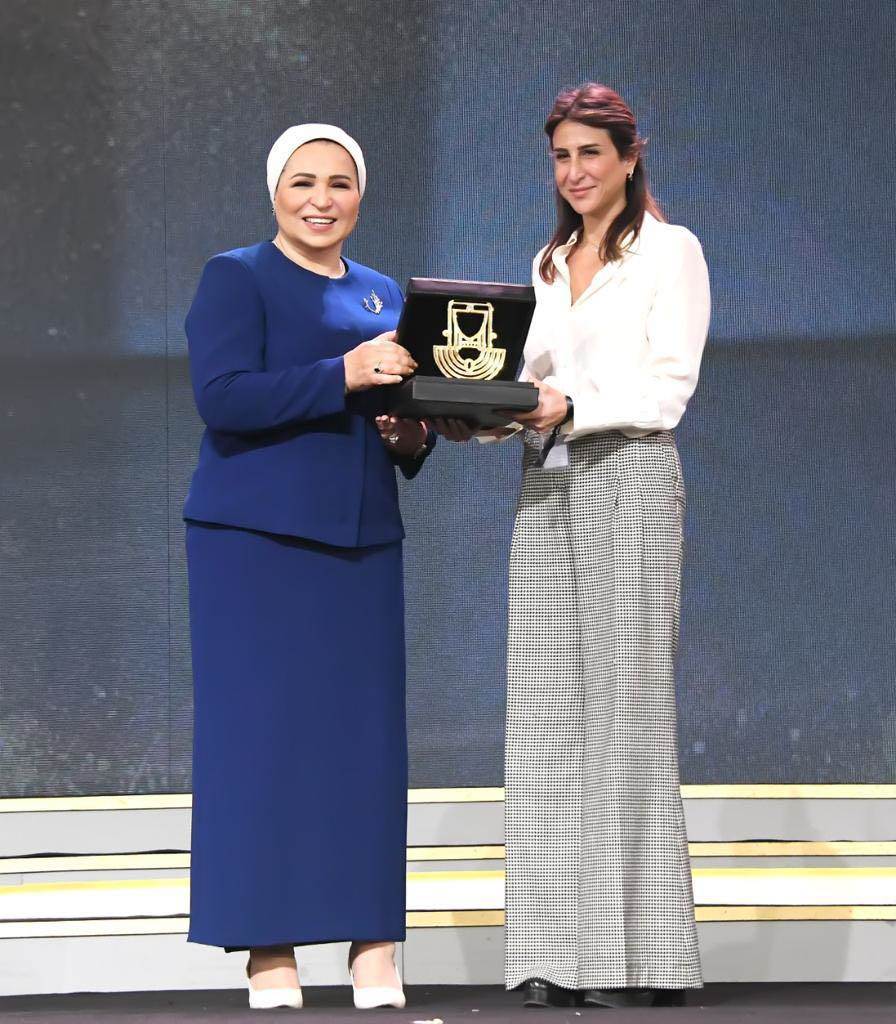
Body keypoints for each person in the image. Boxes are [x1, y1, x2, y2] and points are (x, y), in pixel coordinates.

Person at [436, 82, 710, 1008]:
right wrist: (474, 411)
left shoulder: (671, 251)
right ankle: (557, 953)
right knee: (547, 712)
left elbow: (668, 389)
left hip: (630, 475)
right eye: (561, 156)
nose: (575, 171)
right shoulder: (550, 261)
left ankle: (638, 958)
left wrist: (567, 406)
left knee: (625, 711)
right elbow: (530, 381)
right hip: (548, 481)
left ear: (630, 157)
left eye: (591, 152)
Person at [183, 123, 433, 1011]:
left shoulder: (383, 293)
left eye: (339, 183)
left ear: (360, 195)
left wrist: (411, 431)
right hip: (252, 545)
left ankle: (375, 948)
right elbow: (222, 397)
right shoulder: (236, 276)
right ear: (274, 191)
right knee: (260, 745)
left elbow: (399, 420)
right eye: (303, 182)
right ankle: (269, 950)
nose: (321, 199)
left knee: (365, 749)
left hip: (360, 542)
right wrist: (344, 374)